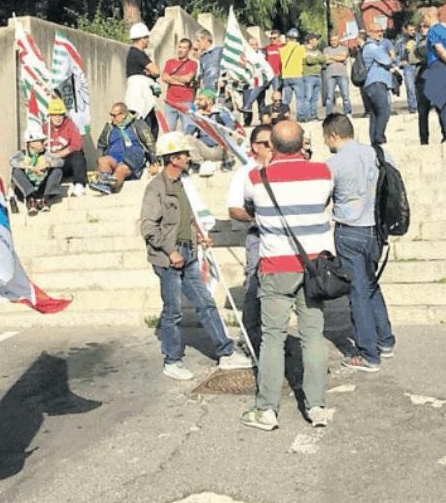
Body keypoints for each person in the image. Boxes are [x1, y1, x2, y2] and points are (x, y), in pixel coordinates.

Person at [239, 120, 334, 431]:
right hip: (315, 266)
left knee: (272, 338)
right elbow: (325, 202)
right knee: (313, 336)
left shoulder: (256, 177)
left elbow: (250, 208)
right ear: (303, 143)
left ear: (273, 146)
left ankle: (266, 409)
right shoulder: (323, 172)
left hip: (276, 266)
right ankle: (317, 406)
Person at [139, 132, 251, 381]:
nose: (189, 157)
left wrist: (199, 237)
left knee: (206, 303)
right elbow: (148, 227)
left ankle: (225, 351)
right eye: (184, 154)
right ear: (173, 159)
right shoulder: (156, 188)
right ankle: (172, 360)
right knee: (173, 311)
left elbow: (187, 219)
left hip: (188, 252)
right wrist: (171, 251)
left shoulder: (183, 184)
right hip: (168, 259)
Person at [323, 113, 395, 373]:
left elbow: (323, 198)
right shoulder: (378, 154)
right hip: (376, 230)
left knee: (358, 292)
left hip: (350, 230)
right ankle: (385, 340)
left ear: (333, 135)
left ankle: (368, 353)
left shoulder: (333, 163)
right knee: (371, 283)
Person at [227, 125, 273, 358]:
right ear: (255, 147)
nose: (271, 147)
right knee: (255, 284)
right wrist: (255, 217)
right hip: (258, 234)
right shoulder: (244, 174)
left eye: (273, 142)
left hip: (284, 236)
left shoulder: (282, 168)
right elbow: (234, 209)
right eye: (266, 143)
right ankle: (249, 337)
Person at [90, 102, 159, 195]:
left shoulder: (137, 124)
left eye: (114, 116)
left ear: (123, 114)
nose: (112, 118)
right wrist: (97, 164)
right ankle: (105, 181)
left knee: (121, 169)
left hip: (132, 159)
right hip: (114, 158)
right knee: (103, 160)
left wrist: (154, 161)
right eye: (111, 115)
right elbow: (101, 145)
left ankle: (109, 186)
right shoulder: (109, 127)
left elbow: (149, 142)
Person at [420, 6, 446, 143]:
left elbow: (440, 49)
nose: (422, 20)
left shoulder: (432, 31)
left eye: (423, 17)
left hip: (438, 66)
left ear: (429, 16)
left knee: (441, 101)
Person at [10, 126, 62, 214]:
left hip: (42, 186)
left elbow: (60, 161)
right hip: (27, 188)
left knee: (57, 170)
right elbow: (12, 161)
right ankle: (31, 200)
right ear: (31, 143)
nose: (43, 143)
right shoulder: (22, 154)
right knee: (16, 171)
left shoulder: (46, 154)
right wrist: (31, 167)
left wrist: (46, 165)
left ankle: (44, 200)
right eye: (40, 141)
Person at [185, 89, 236, 176]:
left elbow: (231, 126)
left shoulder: (220, 113)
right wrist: (197, 119)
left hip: (220, 148)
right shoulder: (197, 114)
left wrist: (221, 131)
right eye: (197, 100)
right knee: (188, 139)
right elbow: (188, 132)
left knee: (228, 136)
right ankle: (197, 164)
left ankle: (228, 162)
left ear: (209, 100)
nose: (197, 102)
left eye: (201, 100)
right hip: (206, 149)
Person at [44, 96, 88, 197]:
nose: (58, 118)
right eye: (55, 115)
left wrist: (58, 155)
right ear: (50, 115)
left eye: (60, 115)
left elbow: (76, 145)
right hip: (50, 164)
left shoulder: (70, 125)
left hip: (66, 162)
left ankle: (79, 184)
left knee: (78, 154)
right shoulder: (45, 128)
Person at [124, 21, 160, 137]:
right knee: (149, 130)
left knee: (152, 127)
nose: (148, 41)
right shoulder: (138, 54)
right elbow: (156, 71)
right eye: (147, 38)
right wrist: (150, 71)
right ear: (143, 39)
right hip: (141, 100)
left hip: (139, 99)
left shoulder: (133, 54)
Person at [361, 25, 394, 145]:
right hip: (376, 83)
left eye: (381, 31)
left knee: (374, 115)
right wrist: (391, 58)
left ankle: (375, 141)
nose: (380, 34)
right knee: (384, 110)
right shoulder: (372, 47)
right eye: (377, 31)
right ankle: (380, 137)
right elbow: (387, 60)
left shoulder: (371, 47)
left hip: (370, 85)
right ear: (369, 32)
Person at [162, 38, 198, 133]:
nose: (181, 50)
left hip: (186, 101)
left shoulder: (192, 64)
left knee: (188, 132)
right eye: (180, 47)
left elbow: (188, 78)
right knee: (168, 132)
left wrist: (172, 76)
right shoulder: (170, 62)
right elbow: (164, 77)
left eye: (184, 48)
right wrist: (182, 82)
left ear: (189, 50)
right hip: (170, 101)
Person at [242, 37, 269, 126]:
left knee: (261, 102)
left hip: (259, 81)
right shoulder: (244, 55)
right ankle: (247, 122)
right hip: (248, 82)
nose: (254, 47)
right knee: (246, 102)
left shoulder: (262, 55)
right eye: (252, 45)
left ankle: (263, 121)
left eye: (256, 44)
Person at [323, 34, 352, 116]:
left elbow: (343, 58)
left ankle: (348, 112)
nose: (333, 42)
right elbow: (326, 61)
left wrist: (331, 57)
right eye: (331, 40)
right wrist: (339, 58)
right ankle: (329, 114)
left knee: (345, 95)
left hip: (342, 74)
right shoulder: (326, 49)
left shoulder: (344, 48)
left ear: (338, 40)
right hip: (330, 75)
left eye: (335, 40)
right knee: (329, 96)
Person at [280, 28, 306, 117]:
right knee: (300, 98)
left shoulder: (282, 49)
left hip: (286, 76)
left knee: (286, 99)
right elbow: (304, 59)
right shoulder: (301, 48)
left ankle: (284, 115)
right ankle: (301, 116)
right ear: (296, 38)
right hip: (297, 75)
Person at [395, 23, 420, 114]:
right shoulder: (401, 41)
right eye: (410, 30)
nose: (413, 32)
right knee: (410, 87)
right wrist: (399, 62)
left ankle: (420, 106)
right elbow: (394, 54)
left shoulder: (419, 38)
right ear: (405, 30)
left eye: (414, 30)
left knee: (419, 87)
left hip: (418, 65)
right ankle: (413, 107)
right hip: (408, 66)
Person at [302, 33, 325, 122]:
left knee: (315, 98)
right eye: (316, 39)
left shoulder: (318, 50)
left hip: (318, 75)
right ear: (310, 40)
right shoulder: (304, 49)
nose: (318, 41)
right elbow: (308, 60)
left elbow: (323, 59)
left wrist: (315, 60)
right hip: (308, 76)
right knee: (308, 96)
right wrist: (317, 60)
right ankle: (307, 116)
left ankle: (314, 115)